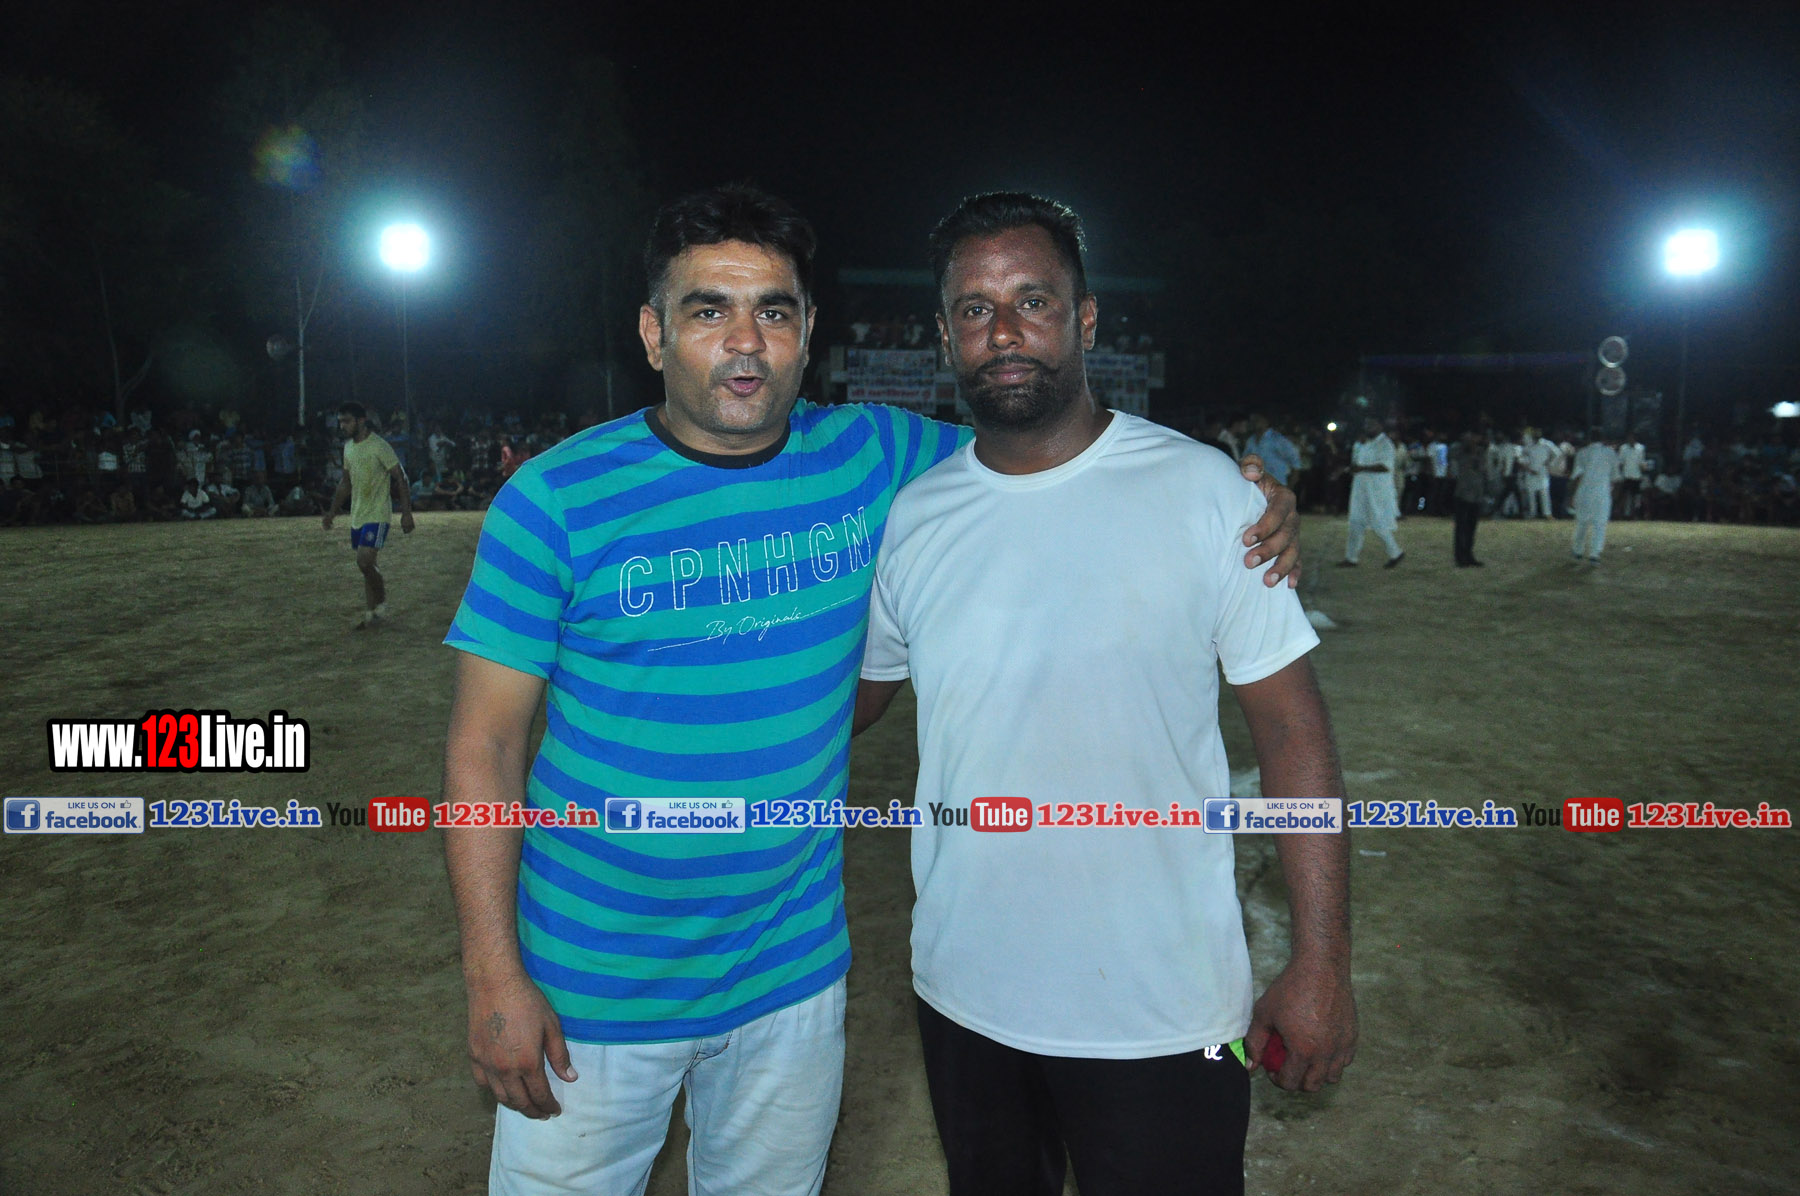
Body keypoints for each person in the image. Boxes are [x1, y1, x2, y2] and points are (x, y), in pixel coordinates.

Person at [439, 184, 1301, 1196]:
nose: (745, 341)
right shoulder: (553, 500)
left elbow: (1050, 447)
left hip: (792, 979)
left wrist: (1240, 492)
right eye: (708, 310)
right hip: (592, 985)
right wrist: (493, 973)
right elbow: (486, 746)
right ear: (653, 333)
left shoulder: (877, 457)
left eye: (774, 310)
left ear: (809, 332)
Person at [855, 191, 1354, 1196]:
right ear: (945, 334)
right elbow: (849, 706)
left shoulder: (1208, 495)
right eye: (974, 308)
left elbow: (1293, 733)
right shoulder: (913, 517)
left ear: (1085, 318)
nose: (1004, 331)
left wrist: (1322, 961)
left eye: (1033, 300)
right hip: (964, 994)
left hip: (1163, 1009)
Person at [322, 401, 414, 628]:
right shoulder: (348, 448)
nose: (342, 426)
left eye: (346, 421)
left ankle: (380, 600)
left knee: (364, 561)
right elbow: (345, 483)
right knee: (367, 565)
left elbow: (400, 477)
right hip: (358, 515)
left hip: (378, 514)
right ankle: (371, 614)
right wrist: (332, 512)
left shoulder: (379, 446)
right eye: (340, 421)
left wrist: (406, 513)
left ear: (361, 421)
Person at [1341, 417, 1403, 567]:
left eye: (1371, 425)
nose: (1368, 428)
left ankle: (1395, 553)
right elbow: (1356, 463)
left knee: (1378, 523)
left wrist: (1362, 468)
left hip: (1377, 492)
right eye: (1366, 425)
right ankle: (1351, 558)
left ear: (1380, 426)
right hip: (1360, 489)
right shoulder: (1363, 444)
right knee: (1356, 522)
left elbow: (1385, 467)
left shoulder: (1385, 444)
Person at [1569, 429, 1620, 564]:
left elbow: (1576, 476)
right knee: (1600, 524)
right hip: (1602, 492)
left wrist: (1571, 495)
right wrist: (1615, 495)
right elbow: (1616, 477)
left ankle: (1578, 551)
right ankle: (1594, 553)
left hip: (1584, 492)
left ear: (1589, 439)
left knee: (1582, 523)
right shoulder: (1610, 453)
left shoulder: (1582, 452)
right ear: (1603, 439)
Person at [1449, 430, 1490, 566]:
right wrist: (1465, 444)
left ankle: (1469, 554)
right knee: (1461, 528)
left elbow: (1483, 470)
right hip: (1462, 494)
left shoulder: (1480, 452)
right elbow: (1453, 457)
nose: (1474, 440)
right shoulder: (1459, 451)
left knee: (1471, 528)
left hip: (1476, 494)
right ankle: (1460, 557)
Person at [1242, 413, 1301, 486]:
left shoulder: (1277, 439)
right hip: (1256, 486)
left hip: (1276, 486)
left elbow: (1295, 462)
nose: (1254, 423)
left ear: (1266, 422)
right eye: (1252, 421)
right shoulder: (1251, 440)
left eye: (1257, 420)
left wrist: (1290, 486)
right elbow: (1244, 461)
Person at [1516, 427, 1554, 519]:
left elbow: (1556, 454)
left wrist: (1548, 462)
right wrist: (1527, 468)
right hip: (1530, 472)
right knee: (1531, 495)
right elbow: (1521, 457)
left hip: (1542, 473)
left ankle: (1547, 514)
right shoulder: (1528, 445)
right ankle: (1533, 514)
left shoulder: (1547, 444)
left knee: (1544, 494)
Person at [1616, 433, 1647, 519]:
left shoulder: (1640, 448)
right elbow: (1621, 462)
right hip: (1626, 476)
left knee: (1636, 497)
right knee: (1624, 496)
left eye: (1632, 438)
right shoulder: (1623, 448)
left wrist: (1643, 471)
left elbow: (1642, 462)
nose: (1631, 440)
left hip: (1636, 476)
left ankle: (1635, 514)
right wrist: (1620, 474)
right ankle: (1622, 514)